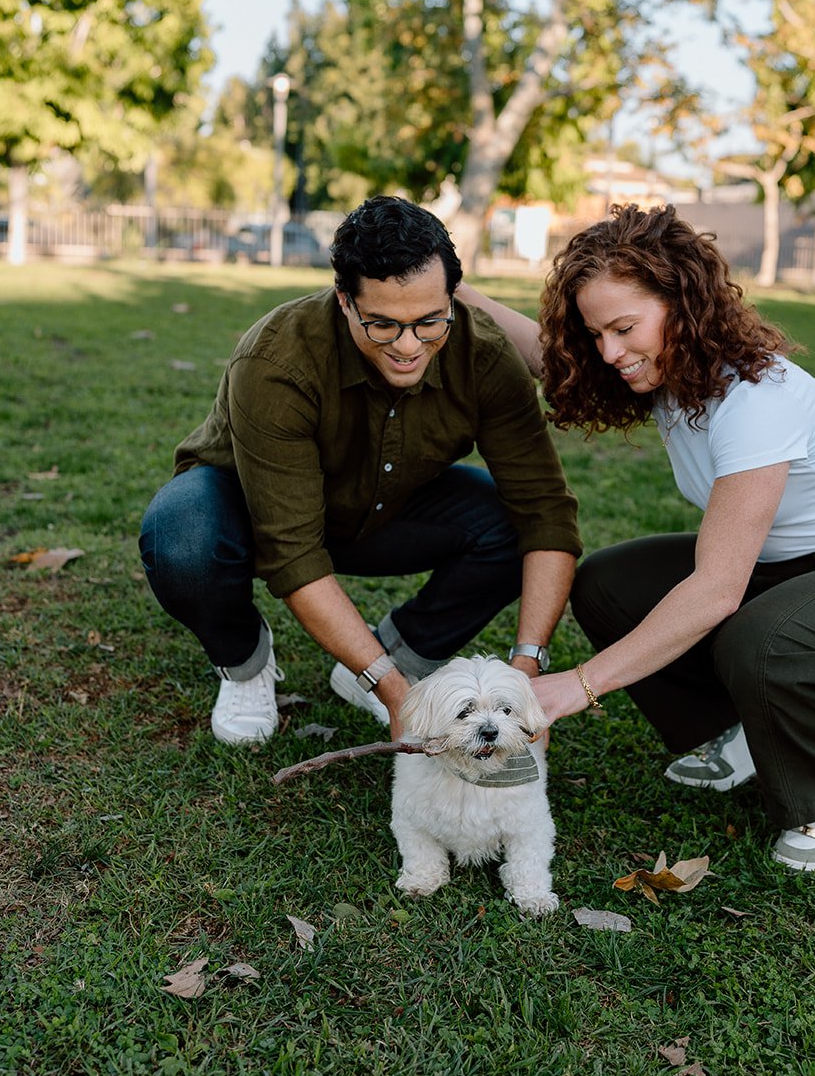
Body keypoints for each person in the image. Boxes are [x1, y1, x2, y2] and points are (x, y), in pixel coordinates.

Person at [460, 204, 815, 872]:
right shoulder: (670, 372)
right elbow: (551, 359)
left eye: (623, 328)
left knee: (768, 640)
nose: (608, 352)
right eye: (595, 331)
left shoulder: (755, 397)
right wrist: (454, 287)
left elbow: (718, 589)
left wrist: (577, 684)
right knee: (607, 584)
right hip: (778, 574)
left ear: (682, 305)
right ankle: (739, 732)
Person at [140, 196, 581, 746]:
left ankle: (394, 657)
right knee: (180, 537)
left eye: (429, 322)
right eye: (382, 324)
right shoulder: (276, 361)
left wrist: (526, 672)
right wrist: (394, 695)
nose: (407, 346)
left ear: (453, 297)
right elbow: (293, 548)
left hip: (385, 510)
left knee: (511, 523)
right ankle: (244, 661)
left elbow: (546, 512)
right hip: (250, 513)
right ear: (344, 300)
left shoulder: (485, 355)